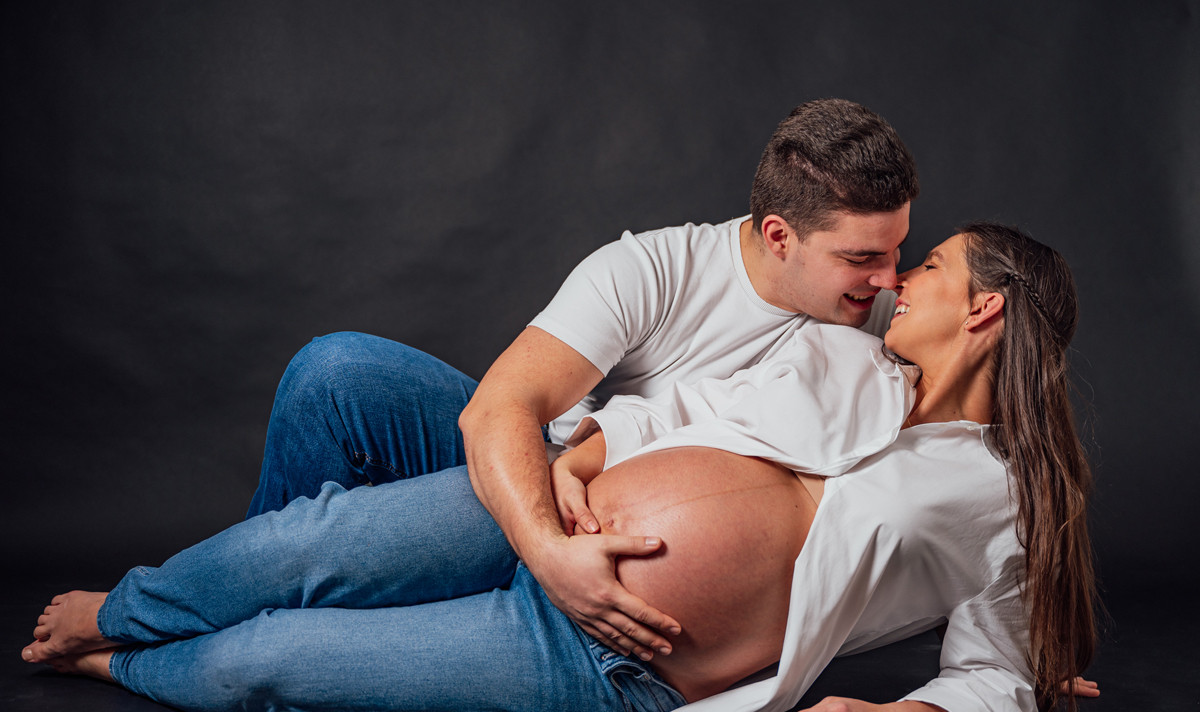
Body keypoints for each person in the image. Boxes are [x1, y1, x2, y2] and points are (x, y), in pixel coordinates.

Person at [25, 222, 1098, 712]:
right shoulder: (842, 355)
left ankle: (123, 659)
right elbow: (681, 409)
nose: (901, 280)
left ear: (986, 308)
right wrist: (584, 456)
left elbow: (998, 678)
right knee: (305, 545)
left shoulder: (1008, 498)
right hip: (547, 518)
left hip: (607, 658)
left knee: (271, 665)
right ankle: (128, 607)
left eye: (932, 266)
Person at [242, 98, 918, 662]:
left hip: (669, 541)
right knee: (335, 372)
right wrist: (547, 553)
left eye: (898, 250)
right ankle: (248, 601)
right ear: (778, 236)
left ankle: (284, 629)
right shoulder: (652, 270)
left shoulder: (898, 320)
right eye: (862, 257)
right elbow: (500, 408)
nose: (890, 278)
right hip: (562, 478)